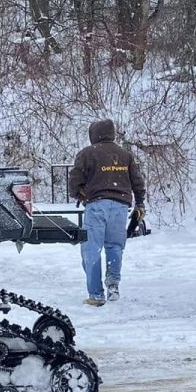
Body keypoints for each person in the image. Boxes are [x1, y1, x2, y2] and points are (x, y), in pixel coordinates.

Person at [68, 119, 146, 306]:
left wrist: (81, 194)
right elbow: (137, 181)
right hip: (120, 206)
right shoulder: (125, 155)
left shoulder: (87, 154)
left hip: (96, 206)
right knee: (115, 246)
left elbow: (74, 181)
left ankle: (96, 295)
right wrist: (140, 203)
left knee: (91, 249)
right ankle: (113, 284)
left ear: (94, 134)